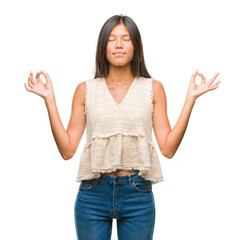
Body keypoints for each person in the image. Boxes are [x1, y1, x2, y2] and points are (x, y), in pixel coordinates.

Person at [24, 14, 221, 240]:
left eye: (126, 39)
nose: (118, 45)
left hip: (138, 194)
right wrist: (49, 99)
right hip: (92, 195)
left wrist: (190, 100)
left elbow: (168, 148)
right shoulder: (84, 90)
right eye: (111, 39)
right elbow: (67, 150)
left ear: (136, 45)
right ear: (102, 46)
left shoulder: (153, 88)